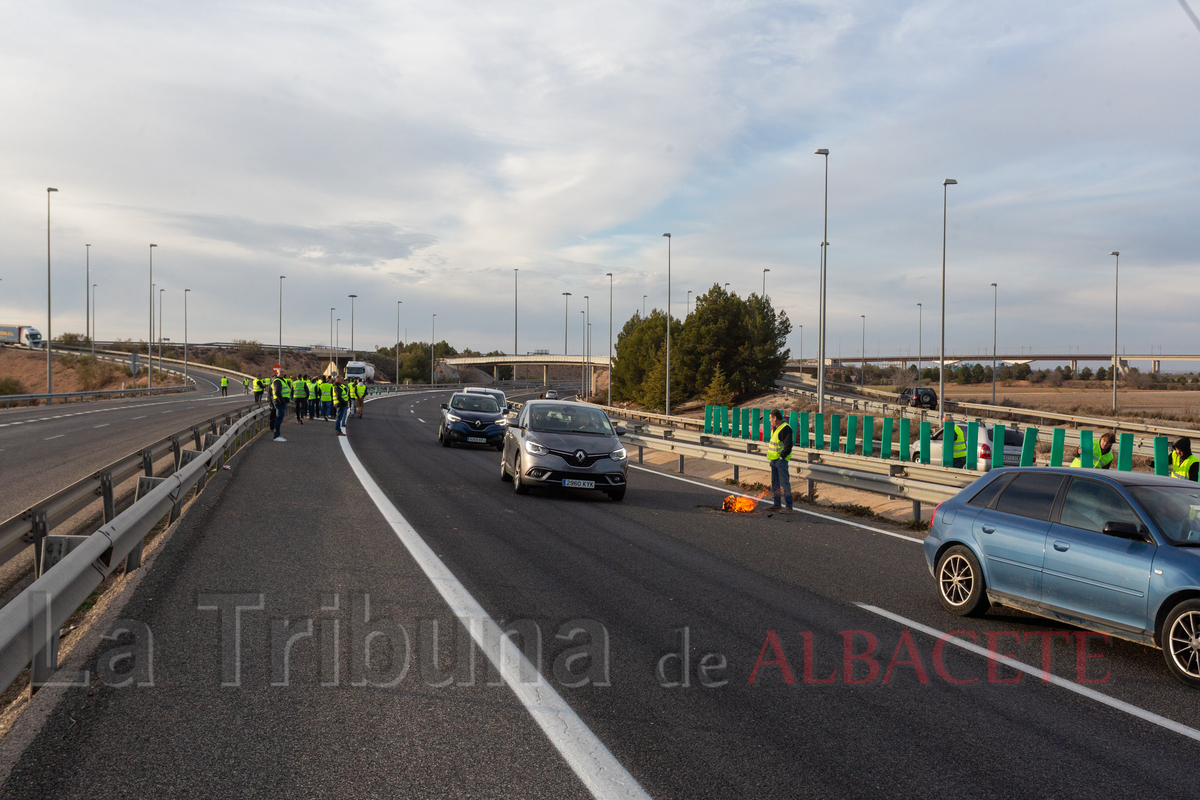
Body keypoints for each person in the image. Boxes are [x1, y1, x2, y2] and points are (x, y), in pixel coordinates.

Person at [767, 409, 794, 512]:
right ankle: (777, 504)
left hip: (781, 461)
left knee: (784, 484)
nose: (770, 420)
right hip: (774, 460)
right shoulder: (775, 429)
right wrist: (772, 459)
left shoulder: (785, 428)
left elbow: (788, 446)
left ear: (775, 418)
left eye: (770, 418)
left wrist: (782, 457)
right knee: (775, 483)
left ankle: (788, 506)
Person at [270, 372, 290, 442]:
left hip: (280, 402)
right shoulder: (277, 381)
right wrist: (282, 401)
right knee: (278, 419)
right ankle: (276, 436)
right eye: (280, 372)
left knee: (279, 419)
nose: (282, 373)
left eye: (283, 372)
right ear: (277, 373)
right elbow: (277, 392)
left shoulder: (281, 380)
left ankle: (277, 435)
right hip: (279, 402)